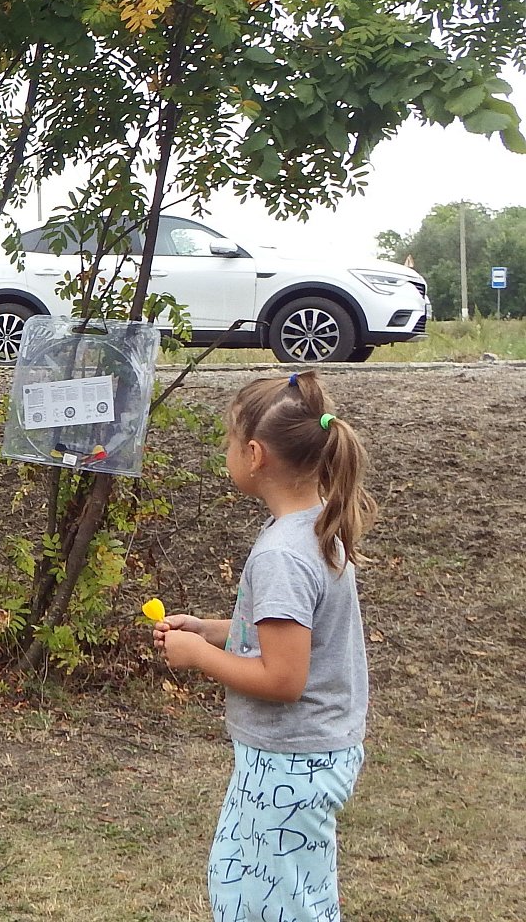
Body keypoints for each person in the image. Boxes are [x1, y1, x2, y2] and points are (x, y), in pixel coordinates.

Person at [156, 370, 375, 922]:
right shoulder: (313, 526)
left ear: (254, 455)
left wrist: (199, 657)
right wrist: (210, 630)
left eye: (229, 441)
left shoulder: (283, 554)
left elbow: (284, 678)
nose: (225, 452)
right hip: (302, 755)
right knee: (267, 891)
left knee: (270, 904)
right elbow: (292, 637)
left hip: (291, 761)